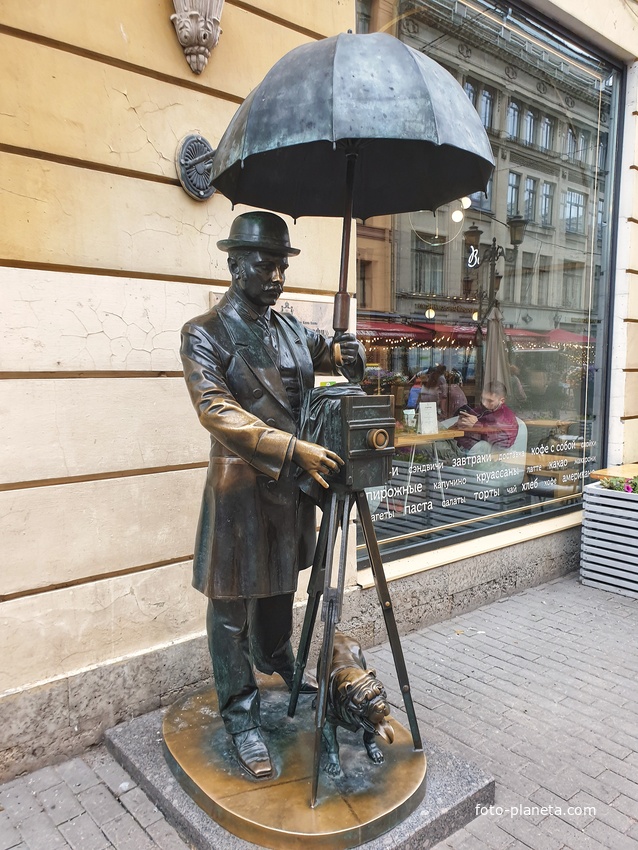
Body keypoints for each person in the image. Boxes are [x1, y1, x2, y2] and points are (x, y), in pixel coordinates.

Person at [180, 211, 365, 779]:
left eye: (282, 266)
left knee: (282, 587)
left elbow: (326, 355)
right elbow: (217, 410)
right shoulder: (203, 332)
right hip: (240, 491)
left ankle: (278, 663)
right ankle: (240, 715)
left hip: (289, 492)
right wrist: (291, 449)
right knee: (232, 607)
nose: (277, 277)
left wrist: (346, 351)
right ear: (235, 265)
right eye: (266, 265)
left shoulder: (289, 329)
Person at [455, 380, 519, 452]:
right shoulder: (481, 410)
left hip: (492, 457)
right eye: (483, 399)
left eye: (490, 401)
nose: (484, 403)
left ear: (502, 400)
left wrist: (477, 426)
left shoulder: (507, 417)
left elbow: (504, 442)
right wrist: (463, 421)